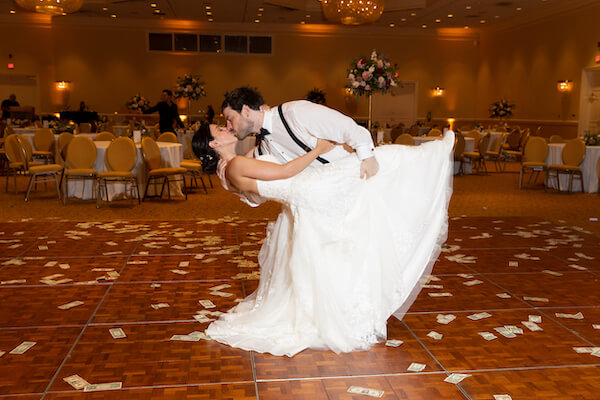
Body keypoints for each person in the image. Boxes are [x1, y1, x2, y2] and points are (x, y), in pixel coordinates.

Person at [194, 123, 455, 356]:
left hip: (300, 195)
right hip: (307, 187)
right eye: (219, 130)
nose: (225, 128)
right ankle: (433, 156)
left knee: (361, 200)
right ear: (215, 144)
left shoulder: (227, 168)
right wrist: (317, 150)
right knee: (376, 163)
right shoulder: (237, 165)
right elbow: (285, 171)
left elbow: (259, 176)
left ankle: (430, 160)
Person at [221, 86, 379, 180]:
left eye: (230, 119)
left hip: (358, 174)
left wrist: (368, 157)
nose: (228, 126)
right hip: (329, 197)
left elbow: (346, 127)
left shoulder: (294, 112)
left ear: (246, 111)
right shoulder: (265, 147)